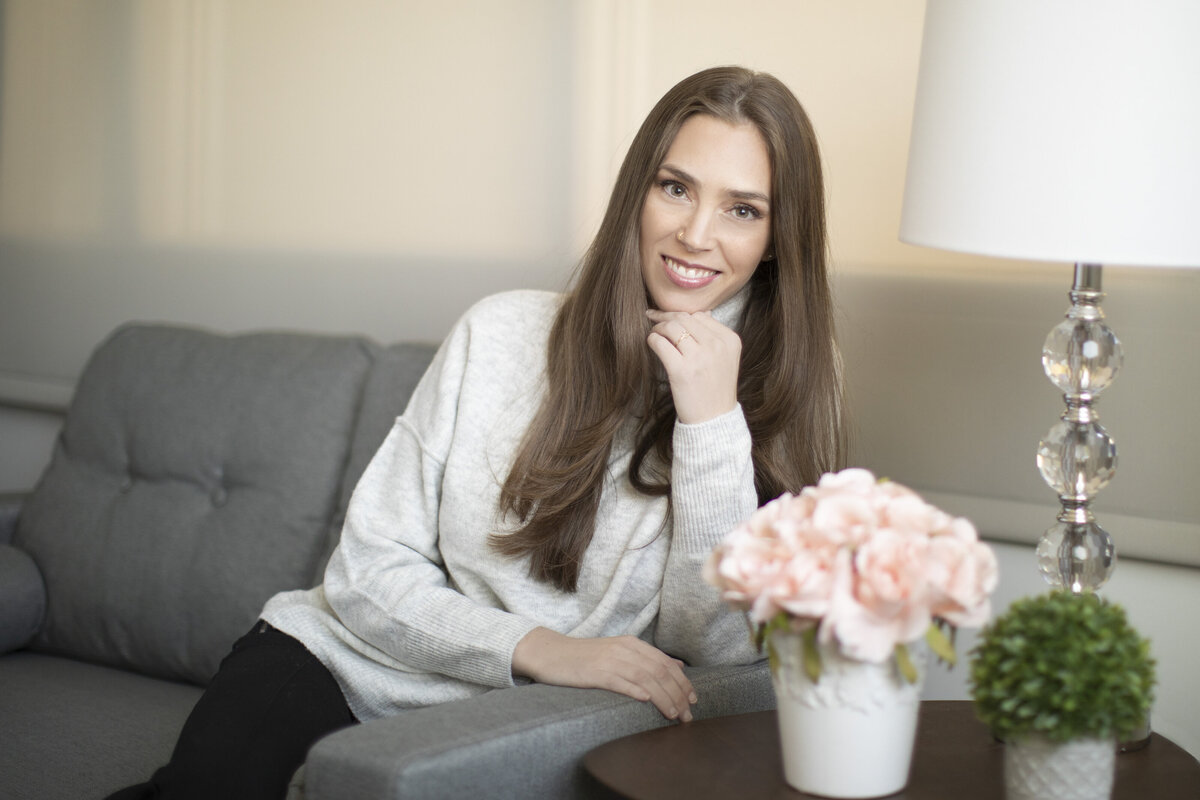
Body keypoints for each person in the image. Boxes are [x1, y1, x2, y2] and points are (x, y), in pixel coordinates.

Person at [107, 64, 847, 800]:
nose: (695, 234)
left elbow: (717, 658)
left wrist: (710, 427)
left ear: (779, 238)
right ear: (638, 194)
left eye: (743, 210)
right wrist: (540, 648)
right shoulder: (499, 332)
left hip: (510, 732)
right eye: (675, 188)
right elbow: (365, 573)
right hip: (341, 661)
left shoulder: (780, 404)